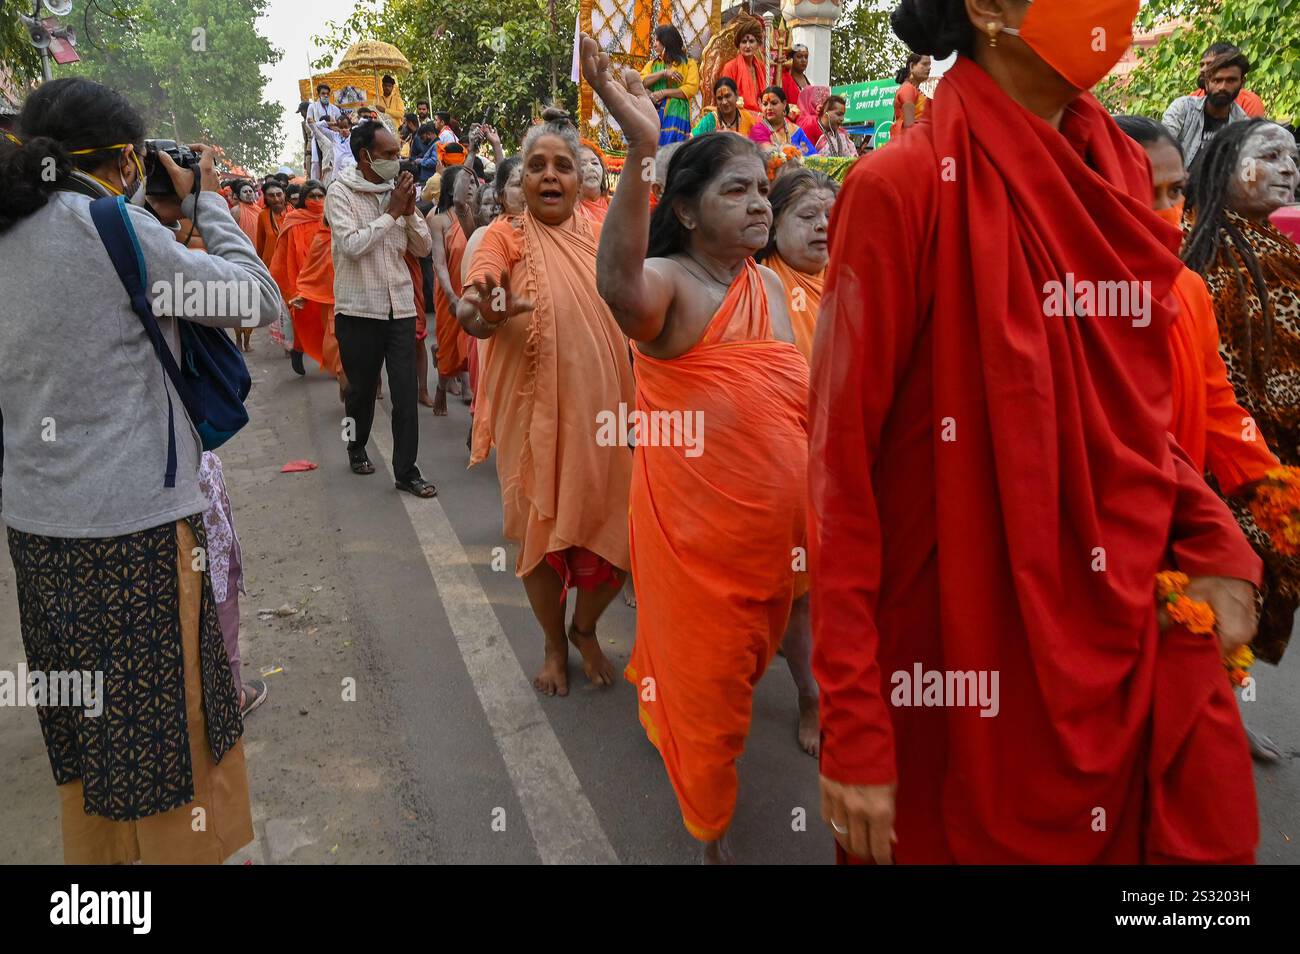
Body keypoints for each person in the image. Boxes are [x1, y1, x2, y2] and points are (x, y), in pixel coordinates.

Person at [812, 0, 1263, 866]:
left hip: (1117, 632)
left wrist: (1212, 535)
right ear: (987, 10)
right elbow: (840, 471)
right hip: (953, 656)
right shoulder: (899, 188)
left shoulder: (1122, 175)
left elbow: (1130, 423)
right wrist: (857, 722)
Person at [0, 77, 281, 864]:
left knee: (89, 737)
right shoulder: (111, 228)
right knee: (169, 737)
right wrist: (208, 205)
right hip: (141, 535)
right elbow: (255, 299)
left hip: (38, 534)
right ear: (128, 158)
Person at [580, 37, 808, 862]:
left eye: (762, 190)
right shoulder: (673, 284)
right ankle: (708, 830)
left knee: (741, 673)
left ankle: (675, 720)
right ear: (684, 209)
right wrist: (644, 150)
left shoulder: (771, 285)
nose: (759, 204)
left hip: (775, 543)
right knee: (710, 689)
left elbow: (791, 405)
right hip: (695, 539)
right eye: (735, 190)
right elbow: (616, 288)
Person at [1118, 114, 1289, 765]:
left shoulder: (1187, 289)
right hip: (1106, 546)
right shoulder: (1065, 299)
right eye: (1153, 194)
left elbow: (1220, 407)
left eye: (1177, 192)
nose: (1173, 212)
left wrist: (1278, 488)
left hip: (1183, 525)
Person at [457, 107, 633, 699]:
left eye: (563, 165)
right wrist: (482, 311)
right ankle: (555, 645)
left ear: (581, 179)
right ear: (523, 180)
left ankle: (585, 628)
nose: (551, 175)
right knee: (539, 532)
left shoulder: (601, 229)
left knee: (621, 532)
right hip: (531, 416)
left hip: (607, 414)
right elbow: (471, 304)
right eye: (537, 166)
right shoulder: (503, 236)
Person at [1184, 119, 1300, 681]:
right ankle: (1213, 707)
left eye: (1295, 158)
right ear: (1224, 165)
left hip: (1274, 456)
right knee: (1223, 596)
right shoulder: (1204, 253)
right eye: (1271, 154)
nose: (1288, 168)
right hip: (1231, 461)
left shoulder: (1276, 247)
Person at [753, 167, 837, 757]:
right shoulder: (759, 285)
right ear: (774, 224)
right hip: (788, 466)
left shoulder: (851, 278)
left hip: (853, 467)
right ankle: (810, 694)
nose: (823, 227)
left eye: (830, 215)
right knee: (800, 594)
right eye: (807, 216)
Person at [326, 120, 436, 497]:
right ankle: (355, 446)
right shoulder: (340, 193)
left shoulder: (397, 194)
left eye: (397, 154)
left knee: (405, 394)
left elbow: (423, 249)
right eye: (389, 155)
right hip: (359, 309)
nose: (397, 161)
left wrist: (406, 213)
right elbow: (352, 245)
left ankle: (406, 471)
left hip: (400, 308)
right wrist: (391, 213)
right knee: (360, 391)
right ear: (365, 157)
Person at [426, 164, 477, 415]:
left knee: (472, 344)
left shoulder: (479, 217)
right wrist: (450, 294)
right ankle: (441, 387)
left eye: (472, 183)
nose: (469, 188)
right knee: (448, 345)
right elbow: (439, 262)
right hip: (450, 292)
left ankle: (469, 388)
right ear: (451, 189)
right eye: (463, 183)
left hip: (474, 290)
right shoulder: (439, 220)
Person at [270, 180, 328, 377]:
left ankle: (334, 364)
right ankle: (298, 350)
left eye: (321, 196)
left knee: (329, 323)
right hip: (301, 280)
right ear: (304, 199)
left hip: (327, 278)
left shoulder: (331, 217)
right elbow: (283, 253)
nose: (317, 200)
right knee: (304, 318)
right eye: (313, 196)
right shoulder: (294, 219)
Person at [1163, 46, 1251, 168]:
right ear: (1206, 82)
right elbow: (1163, 149)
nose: (1223, 87)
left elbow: (1247, 171)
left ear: (1242, 82)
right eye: (1217, 80)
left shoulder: (1244, 125)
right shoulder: (1183, 109)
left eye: (1231, 80)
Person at [640, 24, 700, 146]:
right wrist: (663, 73)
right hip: (654, 111)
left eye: (657, 40)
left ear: (667, 42)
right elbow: (641, 82)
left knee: (671, 149)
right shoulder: (652, 65)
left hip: (677, 112)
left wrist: (663, 93)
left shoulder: (689, 64)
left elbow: (691, 88)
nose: (654, 44)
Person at [1190, 44, 1266, 119]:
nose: (1203, 70)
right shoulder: (1191, 100)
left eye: (1210, 64)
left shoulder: (1248, 102)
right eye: (1202, 65)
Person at [720, 19, 767, 117]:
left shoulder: (761, 67)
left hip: (761, 115)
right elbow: (726, 100)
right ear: (739, 45)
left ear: (758, 44)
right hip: (738, 116)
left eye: (751, 41)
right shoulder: (730, 67)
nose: (748, 46)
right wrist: (753, 115)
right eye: (744, 42)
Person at [750, 86, 815, 155]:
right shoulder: (758, 130)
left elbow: (812, 155)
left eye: (774, 103)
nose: (769, 108)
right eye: (765, 104)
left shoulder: (795, 130)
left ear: (784, 104)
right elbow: (770, 155)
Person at [690, 76, 755, 138]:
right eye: (719, 98)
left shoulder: (746, 118)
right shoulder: (710, 120)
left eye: (727, 96)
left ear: (736, 95)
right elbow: (691, 139)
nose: (724, 102)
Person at [310, 110, 356, 185]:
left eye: (345, 127)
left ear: (350, 126)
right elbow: (317, 126)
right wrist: (332, 123)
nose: (343, 129)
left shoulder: (354, 136)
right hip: (337, 174)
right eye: (341, 127)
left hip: (350, 172)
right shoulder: (334, 136)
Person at [307, 82, 342, 180]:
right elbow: (309, 124)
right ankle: (317, 182)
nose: (325, 95)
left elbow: (340, 122)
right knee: (316, 162)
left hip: (333, 135)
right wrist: (322, 124)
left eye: (327, 93)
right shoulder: (312, 107)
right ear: (318, 94)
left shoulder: (334, 108)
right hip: (318, 136)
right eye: (323, 93)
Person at [892, 53, 931, 140]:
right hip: (911, 144)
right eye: (924, 64)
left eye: (929, 65)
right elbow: (909, 127)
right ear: (912, 66)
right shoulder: (908, 88)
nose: (929, 68)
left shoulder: (914, 89)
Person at [577, 141, 611, 223]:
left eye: (595, 163)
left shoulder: (615, 205)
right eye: (583, 164)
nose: (591, 167)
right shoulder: (567, 213)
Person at [255, 180, 287, 266]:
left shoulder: (293, 213)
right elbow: (260, 245)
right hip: (270, 264)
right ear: (265, 197)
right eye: (271, 196)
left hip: (290, 263)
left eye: (279, 194)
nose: (276, 199)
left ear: (284, 194)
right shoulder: (263, 215)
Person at [776, 43, 812, 109]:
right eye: (799, 57)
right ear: (790, 59)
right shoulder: (784, 78)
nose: (803, 60)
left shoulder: (810, 81)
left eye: (806, 57)